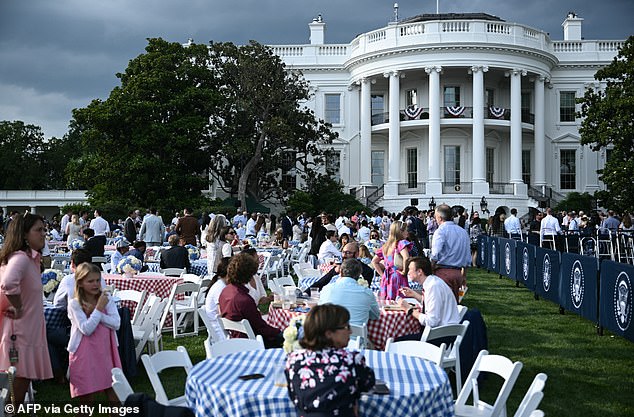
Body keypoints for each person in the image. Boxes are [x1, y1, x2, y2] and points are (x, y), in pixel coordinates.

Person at [285, 303, 375, 417]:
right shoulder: (351, 359)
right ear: (328, 334)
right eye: (346, 327)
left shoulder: (293, 360)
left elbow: (294, 394)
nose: (350, 331)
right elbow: (368, 384)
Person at [0, 212, 53, 404]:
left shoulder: (30, 259)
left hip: (28, 331)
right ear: (24, 234)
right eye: (38, 230)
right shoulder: (21, 258)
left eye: (44, 230)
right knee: (16, 390)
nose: (43, 234)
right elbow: (7, 284)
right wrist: (18, 307)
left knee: (20, 385)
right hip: (20, 333)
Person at [67, 263, 121, 404]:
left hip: (106, 351)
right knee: (86, 399)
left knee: (115, 396)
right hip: (84, 353)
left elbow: (116, 323)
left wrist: (98, 311)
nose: (95, 284)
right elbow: (86, 329)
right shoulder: (75, 303)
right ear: (80, 283)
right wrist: (98, 309)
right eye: (90, 281)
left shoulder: (105, 298)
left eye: (97, 280)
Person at [218, 253, 282, 348]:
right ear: (249, 274)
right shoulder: (243, 300)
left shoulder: (225, 291)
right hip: (252, 342)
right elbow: (261, 328)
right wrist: (281, 332)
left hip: (234, 338)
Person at [396, 257, 460, 340]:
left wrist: (409, 310)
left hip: (441, 335)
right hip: (443, 331)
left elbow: (432, 321)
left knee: (396, 341)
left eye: (410, 269)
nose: (408, 273)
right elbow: (433, 304)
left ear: (419, 272)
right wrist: (414, 295)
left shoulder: (433, 286)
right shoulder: (433, 282)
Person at [318, 259, 380, 327]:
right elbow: (375, 316)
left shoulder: (327, 289)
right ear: (359, 274)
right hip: (357, 336)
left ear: (340, 272)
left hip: (330, 335)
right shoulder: (366, 293)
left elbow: (320, 312)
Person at [430, 204, 471, 303]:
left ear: (439, 217)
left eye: (435, 217)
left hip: (443, 272)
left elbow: (435, 255)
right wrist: (463, 276)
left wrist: (430, 271)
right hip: (458, 274)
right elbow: (467, 257)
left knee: (441, 306)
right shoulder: (463, 232)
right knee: (453, 306)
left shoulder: (440, 231)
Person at [371, 220, 412, 300]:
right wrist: (404, 271)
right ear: (400, 232)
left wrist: (382, 275)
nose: (407, 232)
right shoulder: (401, 243)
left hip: (387, 277)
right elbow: (406, 258)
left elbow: (374, 261)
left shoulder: (386, 246)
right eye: (406, 230)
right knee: (400, 301)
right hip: (398, 276)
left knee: (388, 302)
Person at [203, 258, 230, 342]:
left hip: (220, 325)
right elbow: (222, 313)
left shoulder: (220, 284)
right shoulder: (220, 287)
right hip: (220, 329)